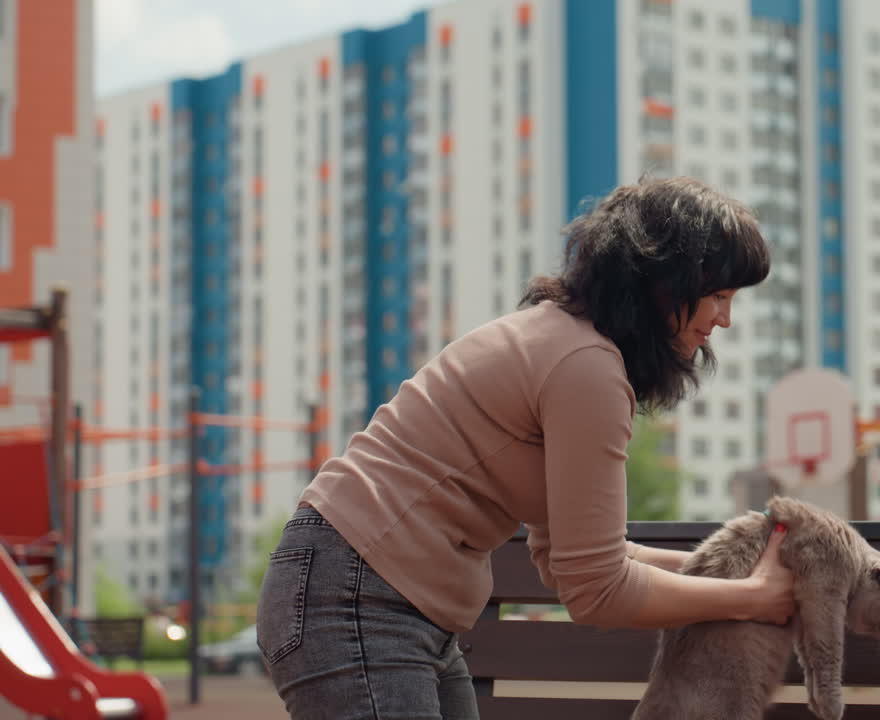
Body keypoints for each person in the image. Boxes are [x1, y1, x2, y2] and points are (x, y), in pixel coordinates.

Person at [256, 176, 796, 720]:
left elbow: (576, 561)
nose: (724, 319)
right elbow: (599, 590)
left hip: (381, 597)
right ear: (664, 282)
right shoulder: (585, 368)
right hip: (358, 597)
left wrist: (730, 577)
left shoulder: (563, 342)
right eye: (719, 296)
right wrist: (753, 597)